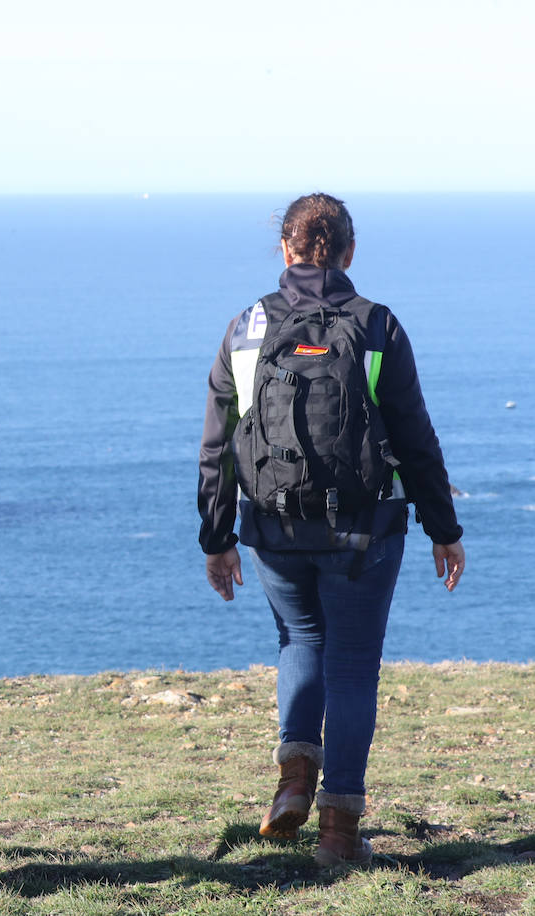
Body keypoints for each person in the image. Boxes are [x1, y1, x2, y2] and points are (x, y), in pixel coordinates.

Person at [197, 193, 464, 867]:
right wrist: (443, 527)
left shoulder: (246, 328)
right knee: (351, 665)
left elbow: (218, 443)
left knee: (299, 641)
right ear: (348, 252)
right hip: (364, 533)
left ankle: (293, 783)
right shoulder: (376, 326)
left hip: (273, 529)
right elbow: (415, 437)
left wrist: (217, 537)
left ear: (285, 250)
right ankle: (339, 829)